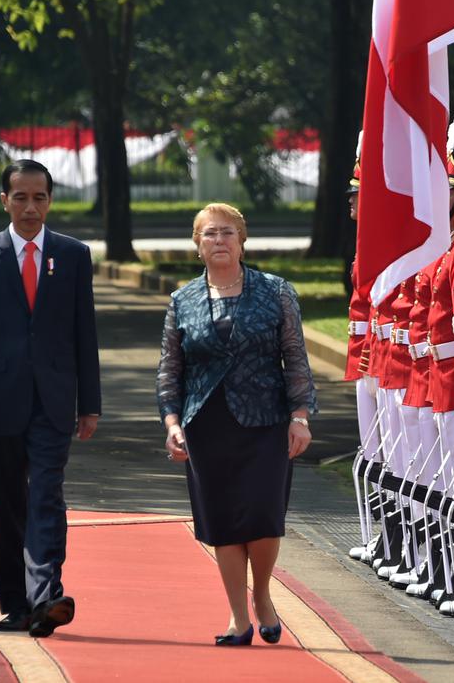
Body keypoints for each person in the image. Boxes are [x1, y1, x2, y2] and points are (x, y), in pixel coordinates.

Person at [156, 203, 317, 646]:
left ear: (242, 241)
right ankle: (237, 616)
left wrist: (300, 416)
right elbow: (171, 369)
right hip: (206, 426)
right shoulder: (182, 299)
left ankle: (262, 595)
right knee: (223, 520)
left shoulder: (275, 291)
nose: (219, 241)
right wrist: (172, 422)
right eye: (210, 234)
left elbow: (295, 359)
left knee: (264, 516)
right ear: (197, 245)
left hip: (267, 420)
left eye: (227, 232)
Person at [0, 159, 101, 638]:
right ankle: (15, 605)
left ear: (50, 200)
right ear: (4, 200)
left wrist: (89, 403)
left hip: (55, 399)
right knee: (6, 501)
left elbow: (85, 334)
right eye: (21, 197)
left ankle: (46, 597)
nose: (30, 207)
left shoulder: (74, 255)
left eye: (39, 197)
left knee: (46, 496)